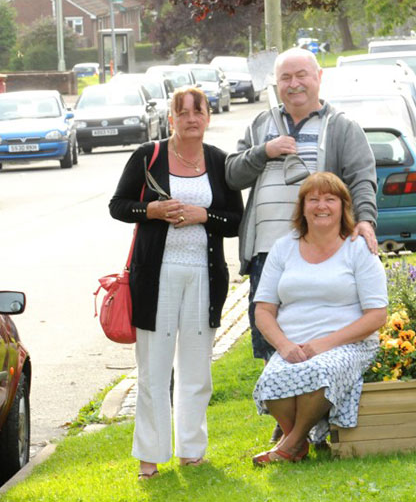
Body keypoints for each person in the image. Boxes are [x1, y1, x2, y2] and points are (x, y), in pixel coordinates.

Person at [109, 87, 244, 479]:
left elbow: (235, 220)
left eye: (197, 111)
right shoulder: (148, 155)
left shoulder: (220, 162)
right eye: (181, 112)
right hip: (155, 276)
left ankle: (192, 449)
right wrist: (150, 210)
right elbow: (118, 206)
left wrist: (205, 216)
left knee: (197, 369)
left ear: (207, 117)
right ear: (171, 118)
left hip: (205, 275)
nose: (190, 118)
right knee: (153, 369)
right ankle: (150, 456)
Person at [226, 47, 378, 367]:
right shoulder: (259, 124)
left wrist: (365, 221)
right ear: (277, 84)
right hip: (266, 251)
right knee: (272, 340)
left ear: (318, 78)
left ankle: (313, 412)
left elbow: (362, 179)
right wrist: (264, 151)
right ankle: (285, 412)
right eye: (285, 77)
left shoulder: (342, 127)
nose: (294, 84)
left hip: (319, 250)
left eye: (301, 75)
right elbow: (232, 175)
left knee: (315, 334)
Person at [250, 172, 388, 465]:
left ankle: (291, 445)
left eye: (330, 199)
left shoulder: (358, 248)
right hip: (295, 344)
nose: (321, 205)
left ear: (343, 206)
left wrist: (325, 344)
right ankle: (295, 443)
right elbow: (263, 309)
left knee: (319, 374)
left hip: (347, 343)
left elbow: (377, 315)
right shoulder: (284, 247)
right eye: (313, 199)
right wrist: (284, 346)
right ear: (302, 208)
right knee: (272, 380)